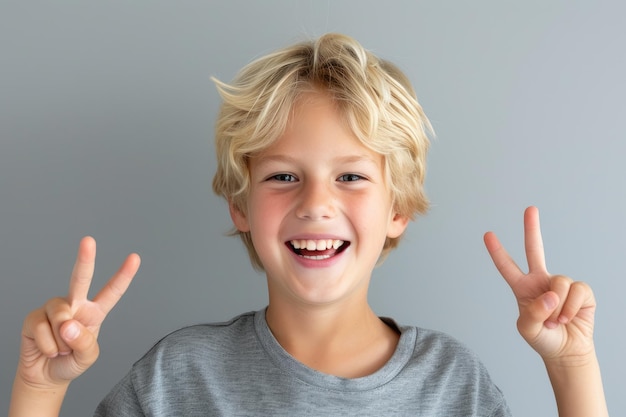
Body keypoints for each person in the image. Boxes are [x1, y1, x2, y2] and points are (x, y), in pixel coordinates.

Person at [9, 33, 607, 416]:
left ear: (397, 210)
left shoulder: (451, 385)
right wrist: (40, 387)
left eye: (350, 177)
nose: (316, 203)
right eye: (282, 177)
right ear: (239, 207)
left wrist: (571, 364)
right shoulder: (176, 379)